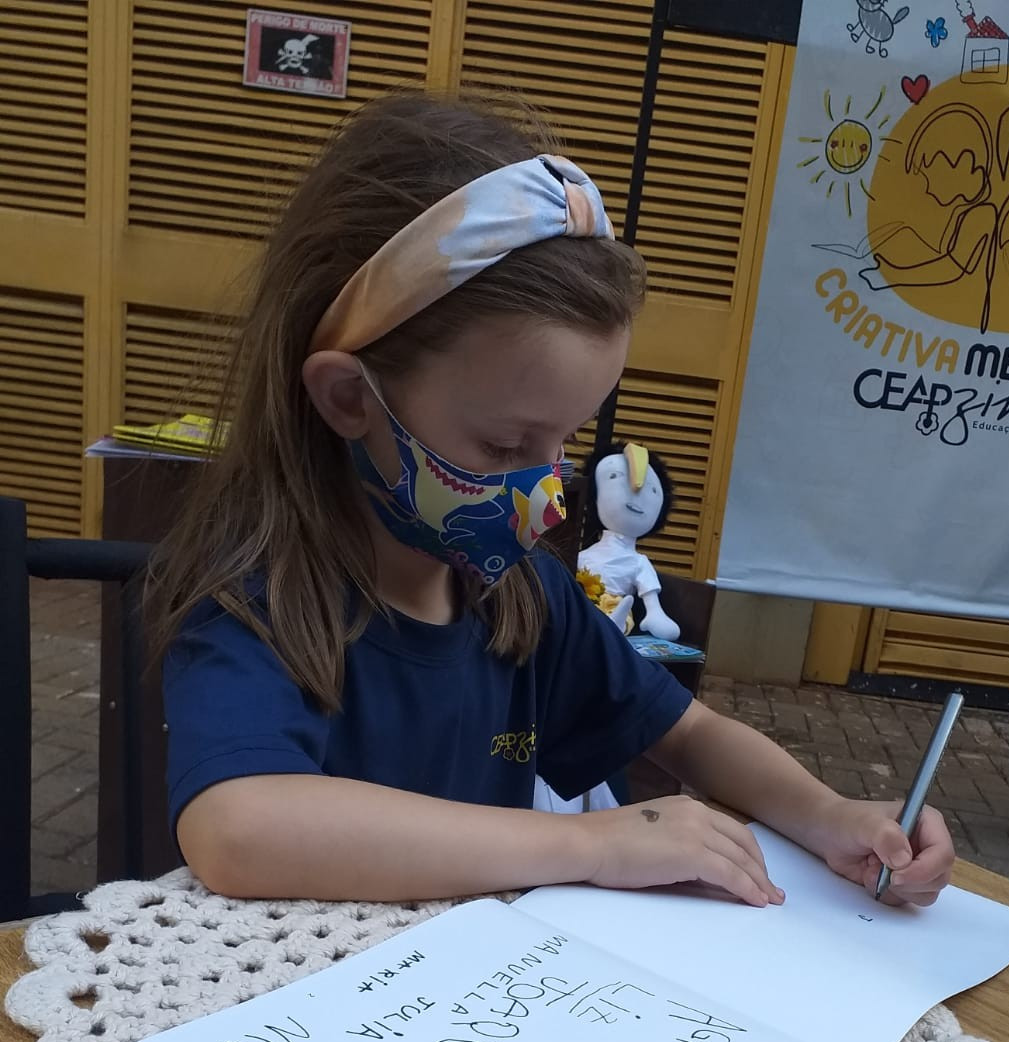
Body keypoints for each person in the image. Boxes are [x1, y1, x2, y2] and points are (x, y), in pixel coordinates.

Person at [149, 90, 954, 911]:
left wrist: (831, 816)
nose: (547, 492)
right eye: (505, 446)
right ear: (350, 398)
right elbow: (236, 829)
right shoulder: (256, 603)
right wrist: (589, 844)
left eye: (564, 441)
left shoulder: (521, 596)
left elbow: (689, 732)